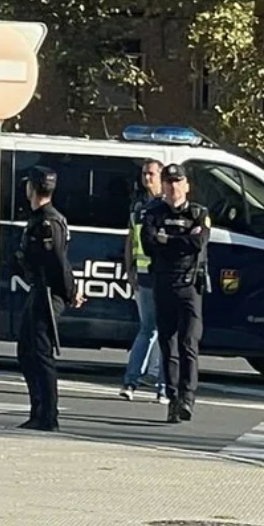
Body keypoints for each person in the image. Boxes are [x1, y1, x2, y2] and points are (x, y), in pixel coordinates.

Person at [140, 163, 210, 423]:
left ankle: (187, 398)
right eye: (169, 182)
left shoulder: (198, 213)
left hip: (190, 285)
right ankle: (172, 398)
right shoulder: (153, 213)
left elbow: (197, 242)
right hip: (164, 283)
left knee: (188, 343)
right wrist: (180, 240)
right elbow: (148, 244)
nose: (173, 187)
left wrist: (167, 240)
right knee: (168, 344)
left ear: (187, 185)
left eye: (178, 182)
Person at [15, 166, 83, 431]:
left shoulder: (48, 221)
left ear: (32, 188)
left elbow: (58, 262)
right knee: (26, 351)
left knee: (41, 354)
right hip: (39, 289)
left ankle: (48, 416)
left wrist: (70, 292)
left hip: (48, 292)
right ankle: (38, 411)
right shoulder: (39, 218)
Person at [120, 159, 169, 405]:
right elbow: (131, 239)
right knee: (149, 329)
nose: (147, 178)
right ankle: (131, 382)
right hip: (144, 275)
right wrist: (129, 269)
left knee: (163, 331)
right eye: (144, 174)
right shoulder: (138, 207)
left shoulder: (167, 206)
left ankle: (162, 387)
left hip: (163, 275)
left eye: (151, 174)